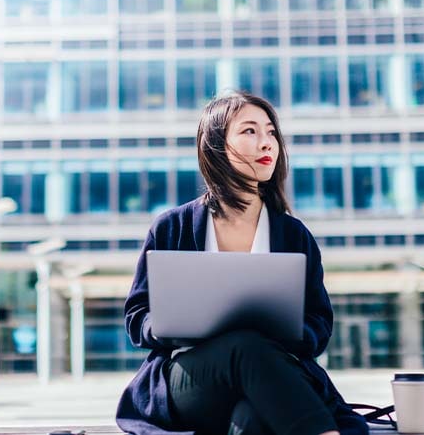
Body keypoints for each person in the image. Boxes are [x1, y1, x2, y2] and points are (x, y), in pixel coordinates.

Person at [116, 91, 369, 435]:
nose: (266, 143)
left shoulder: (293, 235)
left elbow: (319, 323)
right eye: (250, 131)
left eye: (271, 132)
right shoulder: (172, 227)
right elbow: (136, 317)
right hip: (192, 380)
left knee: (251, 417)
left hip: (271, 373)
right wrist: (162, 324)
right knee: (244, 346)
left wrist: (293, 332)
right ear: (216, 145)